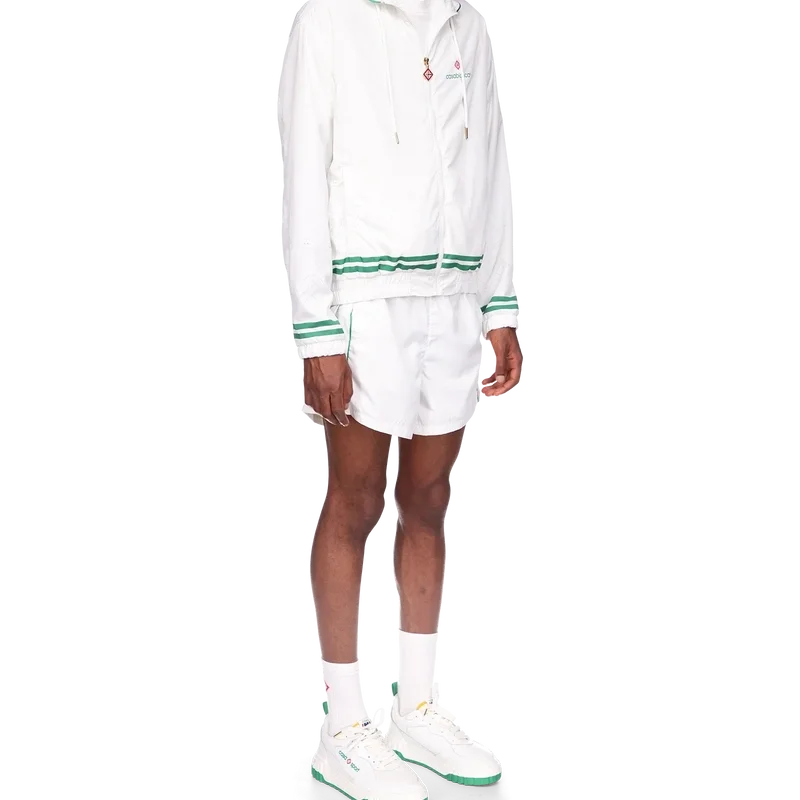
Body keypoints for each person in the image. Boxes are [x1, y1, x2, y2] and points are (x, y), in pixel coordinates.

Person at [283, 0, 521, 796]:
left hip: (454, 295)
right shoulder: (329, 15)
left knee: (427, 499)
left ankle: (416, 704)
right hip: (364, 299)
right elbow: (303, 171)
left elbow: (492, 161)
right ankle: (343, 725)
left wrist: (501, 305)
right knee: (353, 501)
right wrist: (315, 329)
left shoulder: (469, 18)